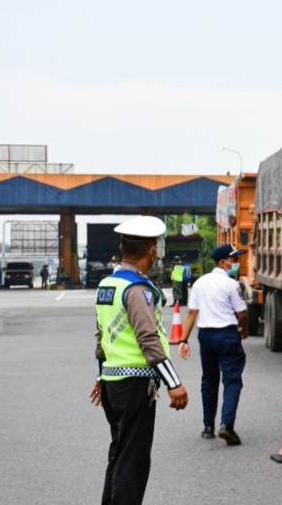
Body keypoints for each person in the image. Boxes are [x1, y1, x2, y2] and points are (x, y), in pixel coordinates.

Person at [88, 215, 188, 505]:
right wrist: (174, 383)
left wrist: (100, 376)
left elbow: (101, 337)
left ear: (122, 246)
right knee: (134, 461)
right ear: (153, 250)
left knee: (119, 453)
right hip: (134, 385)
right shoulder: (137, 289)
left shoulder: (107, 284)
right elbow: (148, 339)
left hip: (112, 383)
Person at [177, 244, 249, 445]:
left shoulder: (200, 283)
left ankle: (208, 426)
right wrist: (245, 330)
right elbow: (242, 313)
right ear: (222, 262)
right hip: (226, 334)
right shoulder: (232, 285)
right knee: (232, 380)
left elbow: (192, 313)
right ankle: (226, 425)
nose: (236, 263)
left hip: (205, 336)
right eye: (234, 260)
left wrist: (183, 340)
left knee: (209, 380)